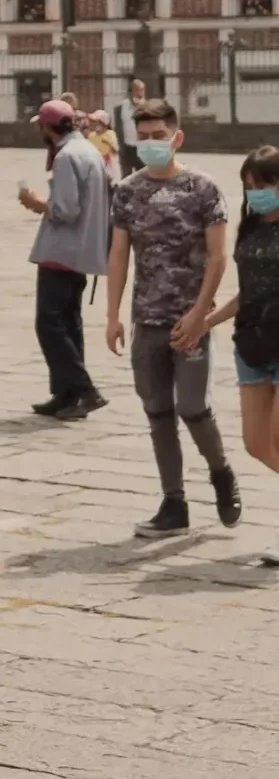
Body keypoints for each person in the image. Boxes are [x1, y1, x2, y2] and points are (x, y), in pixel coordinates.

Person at [106, 100, 239, 537]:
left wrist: (201, 314)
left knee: (194, 407)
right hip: (147, 319)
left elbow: (219, 258)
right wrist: (113, 316)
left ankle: (221, 473)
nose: (149, 144)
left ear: (176, 137)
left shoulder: (202, 189)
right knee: (158, 412)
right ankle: (173, 503)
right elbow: (120, 255)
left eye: (157, 136)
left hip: (191, 321)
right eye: (142, 137)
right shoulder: (127, 190)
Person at [207, 146, 279, 567]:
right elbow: (247, 290)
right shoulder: (249, 229)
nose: (257, 194)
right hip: (251, 344)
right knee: (256, 444)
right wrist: (208, 319)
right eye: (251, 188)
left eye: (266, 185)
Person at [21, 99, 111, 421]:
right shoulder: (88, 150)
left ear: (48, 127)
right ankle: (67, 393)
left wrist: (36, 203)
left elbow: (66, 210)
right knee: (69, 323)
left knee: (49, 323)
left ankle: (84, 389)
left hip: (62, 250)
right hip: (82, 249)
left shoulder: (67, 156)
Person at [114, 78, 148, 179]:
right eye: (137, 90)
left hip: (142, 148)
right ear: (130, 92)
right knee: (126, 178)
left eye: (142, 90)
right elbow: (118, 128)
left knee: (143, 177)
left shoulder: (148, 107)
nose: (140, 93)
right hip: (127, 148)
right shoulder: (120, 108)